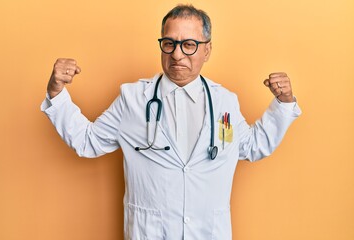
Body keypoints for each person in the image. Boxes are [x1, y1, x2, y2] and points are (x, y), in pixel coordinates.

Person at [41, 4, 301, 240]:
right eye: (169, 43)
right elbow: (88, 142)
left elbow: (252, 146)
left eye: (189, 44)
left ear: (207, 49)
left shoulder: (224, 102)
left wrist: (284, 103)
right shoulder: (132, 99)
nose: (177, 54)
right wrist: (57, 93)